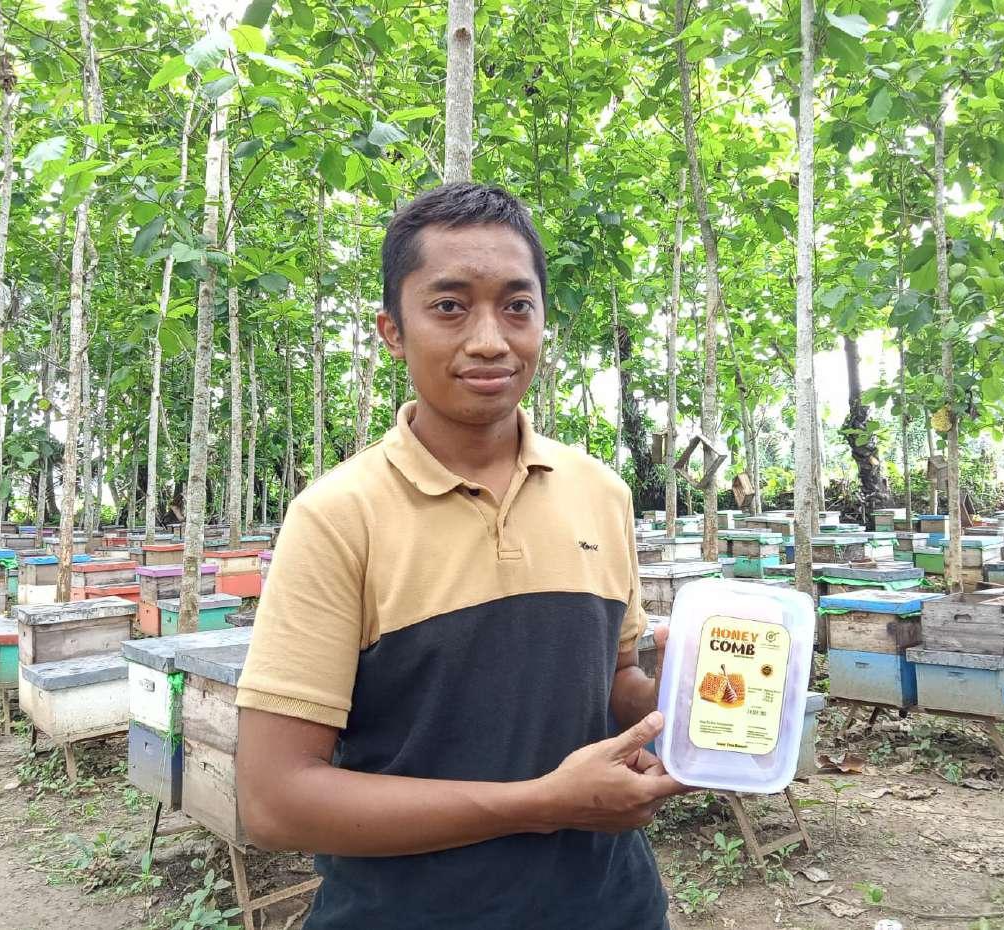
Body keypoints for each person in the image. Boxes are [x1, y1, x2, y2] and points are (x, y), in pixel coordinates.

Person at [235, 182, 685, 929]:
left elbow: (612, 685)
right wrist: (540, 805)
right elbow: (275, 800)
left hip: (614, 909)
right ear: (392, 331)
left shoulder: (600, 492)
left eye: (517, 306)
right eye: (449, 306)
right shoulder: (338, 517)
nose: (489, 340)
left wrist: (693, 698)